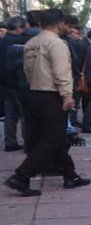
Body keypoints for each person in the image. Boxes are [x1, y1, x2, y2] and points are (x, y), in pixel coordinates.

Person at [4, 8, 90, 196]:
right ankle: (21, 176)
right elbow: (62, 73)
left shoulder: (31, 43)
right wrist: (67, 97)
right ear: (60, 23)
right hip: (51, 95)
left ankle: (70, 175)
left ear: (40, 24)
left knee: (50, 138)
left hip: (33, 93)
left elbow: (27, 71)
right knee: (52, 140)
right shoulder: (56, 43)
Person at [0, 16, 28, 152]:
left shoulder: (2, 41)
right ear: (19, 28)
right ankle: (28, 142)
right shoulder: (20, 42)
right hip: (19, 82)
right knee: (24, 114)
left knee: (10, 114)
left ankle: (10, 141)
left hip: (5, 84)